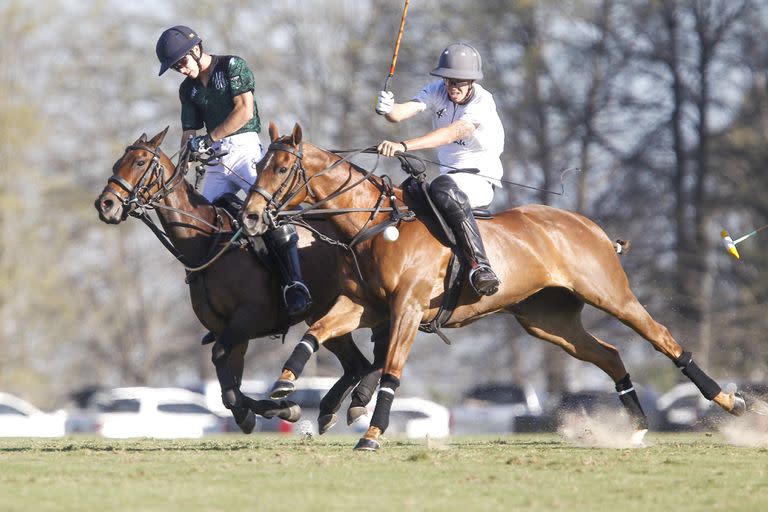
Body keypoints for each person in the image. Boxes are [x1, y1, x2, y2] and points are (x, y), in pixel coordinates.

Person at [155, 25, 311, 316]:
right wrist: (184, 161)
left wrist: (210, 137)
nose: (180, 69)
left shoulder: (231, 66)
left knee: (271, 212)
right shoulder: (186, 89)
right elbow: (189, 131)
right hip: (214, 163)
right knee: (200, 231)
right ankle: (221, 304)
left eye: (181, 62)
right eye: (175, 66)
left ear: (196, 50)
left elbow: (244, 112)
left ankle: (295, 284)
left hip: (245, 153)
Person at [375, 42, 502, 296]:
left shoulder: (482, 103)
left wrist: (404, 145)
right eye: (448, 80)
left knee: (442, 189)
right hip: (449, 179)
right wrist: (389, 109)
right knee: (408, 190)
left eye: (459, 82)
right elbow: (404, 112)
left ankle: (481, 266)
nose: (452, 87)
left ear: (471, 82)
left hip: (479, 181)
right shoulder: (439, 90)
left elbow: (450, 133)